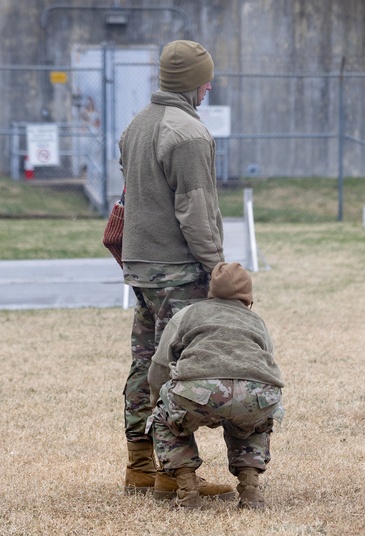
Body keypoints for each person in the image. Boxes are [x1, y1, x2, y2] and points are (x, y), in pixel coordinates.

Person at [118, 39, 231, 499]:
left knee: (145, 362)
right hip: (178, 270)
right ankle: (172, 472)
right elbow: (196, 210)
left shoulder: (136, 126)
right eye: (206, 80)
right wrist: (218, 268)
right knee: (179, 369)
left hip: (141, 267)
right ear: (195, 84)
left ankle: (139, 464)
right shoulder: (188, 134)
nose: (208, 87)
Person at [147, 262, 284, 510]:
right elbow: (267, 358)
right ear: (248, 295)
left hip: (199, 392)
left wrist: (161, 404)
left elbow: (159, 366)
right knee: (253, 425)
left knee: (163, 418)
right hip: (258, 392)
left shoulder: (188, 314)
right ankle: (251, 491)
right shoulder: (256, 320)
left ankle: (188, 492)